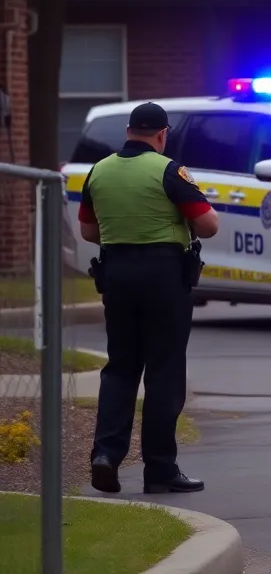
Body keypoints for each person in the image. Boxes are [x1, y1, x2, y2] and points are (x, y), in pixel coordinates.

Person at [77, 102, 220, 493]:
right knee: (164, 373)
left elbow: (89, 231)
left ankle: (105, 455)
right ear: (162, 134)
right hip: (163, 278)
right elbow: (207, 226)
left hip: (117, 275)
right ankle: (159, 469)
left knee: (121, 368)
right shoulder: (169, 170)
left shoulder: (99, 171)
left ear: (127, 131)